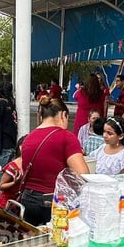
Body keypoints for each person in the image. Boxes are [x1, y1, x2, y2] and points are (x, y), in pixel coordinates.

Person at [17, 97, 89, 227]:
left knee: (33, 241)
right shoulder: (66, 137)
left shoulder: (28, 138)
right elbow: (83, 174)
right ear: (63, 115)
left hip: (27, 200)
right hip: (53, 203)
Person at [0, 81, 19, 176]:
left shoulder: (0, 103)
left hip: (3, 143)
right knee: (10, 173)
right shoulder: (13, 102)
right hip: (12, 141)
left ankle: (3, 191)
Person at [0, 136, 26, 210]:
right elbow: (1, 186)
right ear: (21, 148)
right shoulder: (13, 166)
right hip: (7, 205)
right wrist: (14, 183)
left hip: (21, 204)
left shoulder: (32, 163)